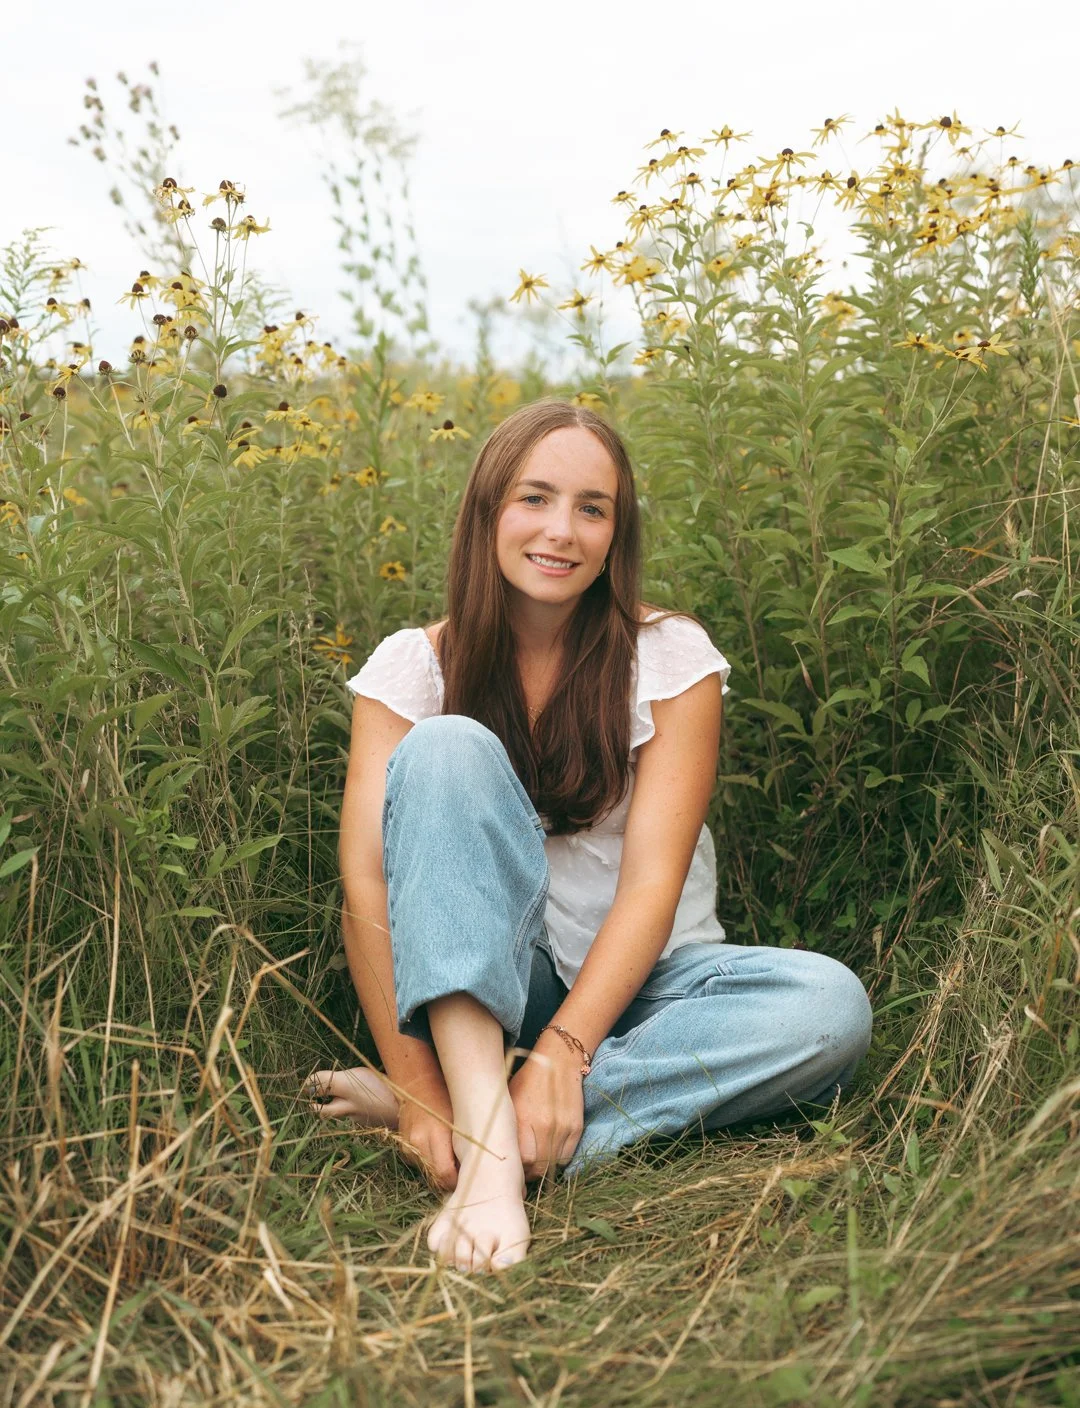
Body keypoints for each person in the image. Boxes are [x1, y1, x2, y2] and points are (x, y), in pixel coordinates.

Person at [305, 399, 872, 1275]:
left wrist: (567, 1054)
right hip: (493, 981)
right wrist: (417, 1090)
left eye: (592, 508)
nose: (560, 531)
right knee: (449, 745)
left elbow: (652, 885)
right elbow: (368, 891)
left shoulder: (668, 655)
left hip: (651, 985)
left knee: (828, 1009)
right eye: (534, 499)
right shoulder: (412, 668)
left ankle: (493, 1109)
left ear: (617, 531)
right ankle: (492, 1132)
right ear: (488, 510)